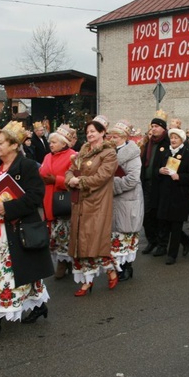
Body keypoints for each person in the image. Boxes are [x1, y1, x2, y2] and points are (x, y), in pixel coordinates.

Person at [0, 121, 54, 343]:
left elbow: (35, 196)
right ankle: (39, 306)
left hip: (18, 230)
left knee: (7, 274)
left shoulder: (28, 166)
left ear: (13, 145)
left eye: (0, 143)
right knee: (8, 273)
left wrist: (7, 208)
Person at [65, 118, 118, 296]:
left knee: (95, 242)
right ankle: (87, 281)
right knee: (81, 244)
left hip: (97, 202)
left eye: (93, 131)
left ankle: (110, 270)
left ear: (102, 132)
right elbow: (70, 169)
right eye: (87, 132)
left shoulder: (109, 153)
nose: (89, 134)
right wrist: (69, 179)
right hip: (80, 202)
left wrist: (79, 181)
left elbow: (102, 176)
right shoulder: (83, 151)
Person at [38, 124, 76, 279]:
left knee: (65, 234)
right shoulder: (47, 156)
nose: (50, 144)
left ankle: (66, 262)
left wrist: (57, 180)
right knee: (54, 234)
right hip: (48, 199)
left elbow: (74, 178)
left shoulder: (73, 155)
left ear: (64, 143)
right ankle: (62, 261)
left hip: (64, 200)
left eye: (54, 142)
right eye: (50, 142)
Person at [107, 120, 144, 280]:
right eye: (111, 136)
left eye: (116, 136)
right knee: (115, 235)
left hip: (128, 199)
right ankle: (118, 266)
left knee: (126, 235)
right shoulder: (111, 153)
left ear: (124, 137)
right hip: (115, 201)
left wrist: (110, 185)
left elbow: (132, 179)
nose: (113, 139)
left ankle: (127, 267)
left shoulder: (132, 154)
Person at [156, 127, 189, 265]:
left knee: (175, 225)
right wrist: (160, 170)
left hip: (179, 195)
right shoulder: (166, 153)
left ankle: (172, 254)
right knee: (165, 223)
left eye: (176, 138)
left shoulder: (188, 155)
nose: (173, 140)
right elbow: (158, 169)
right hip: (165, 193)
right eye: (172, 138)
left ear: (182, 140)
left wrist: (180, 176)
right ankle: (186, 240)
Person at [140, 110, 170, 255]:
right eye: (152, 126)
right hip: (147, 184)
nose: (153, 129)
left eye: (156, 126)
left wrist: (159, 170)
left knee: (160, 216)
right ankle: (152, 241)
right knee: (146, 215)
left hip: (161, 185)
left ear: (163, 128)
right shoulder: (149, 143)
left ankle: (162, 244)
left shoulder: (167, 143)